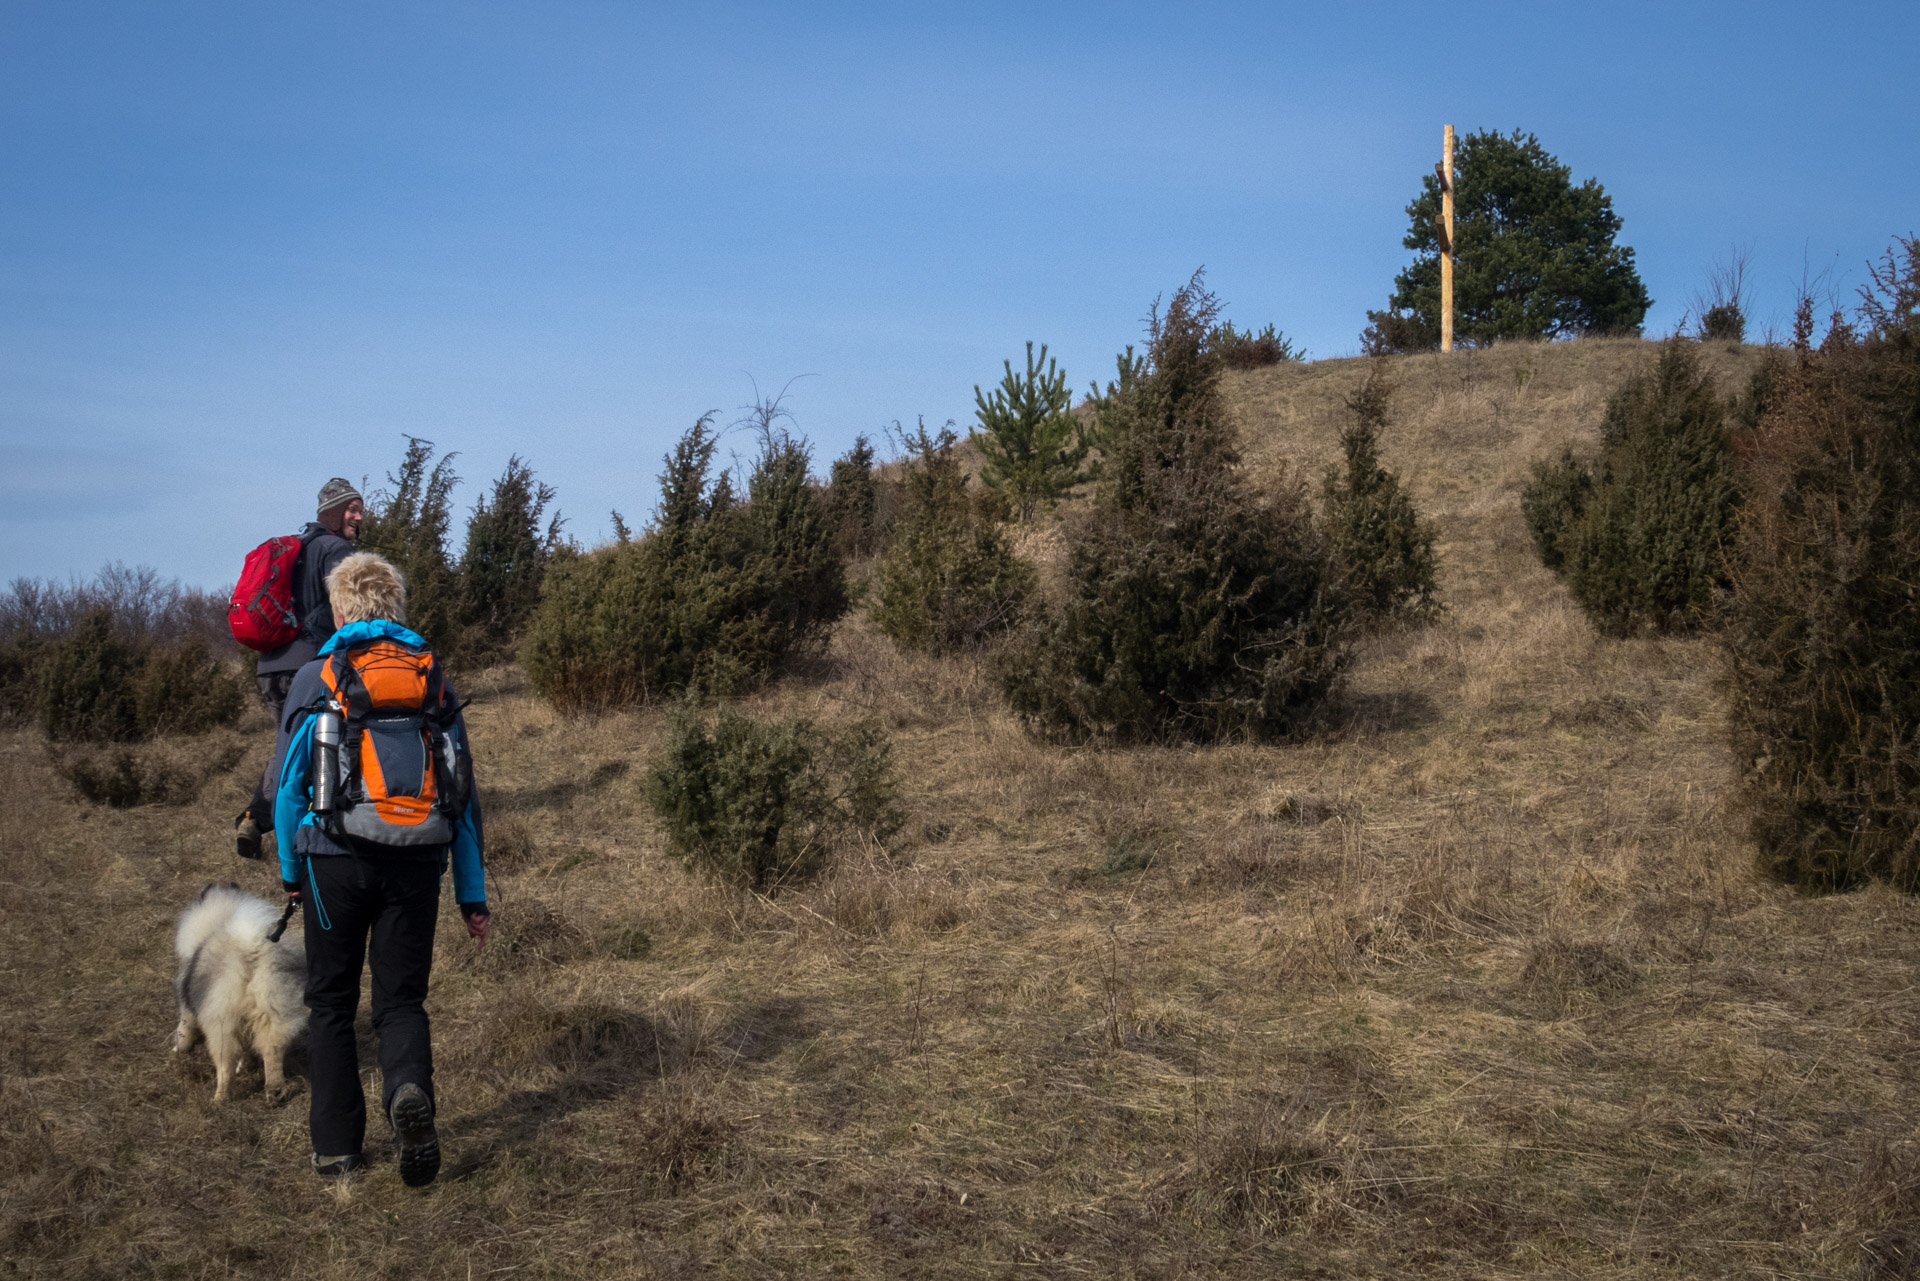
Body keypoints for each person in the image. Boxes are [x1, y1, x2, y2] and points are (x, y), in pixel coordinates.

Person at [265, 551, 490, 1184]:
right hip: (419, 860)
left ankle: (337, 1149)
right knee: (402, 1000)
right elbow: (462, 796)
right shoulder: (430, 676)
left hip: (332, 861)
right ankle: (406, 1094)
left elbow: (287, 790)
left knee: (332, 1002)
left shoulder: (317, 676)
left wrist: (290, 869)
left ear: (339, 609)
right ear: (396, 608)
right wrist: (471, 896)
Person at [237, 478, 363, 860]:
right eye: (352, 509)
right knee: (311, 745)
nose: (358, 516)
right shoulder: (336, 549)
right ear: (334, 511)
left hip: (271, 664)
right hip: (308, 665)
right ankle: (291, 828)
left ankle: (255, 819)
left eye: (360, 509)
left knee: (289, 744)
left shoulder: (297, 548)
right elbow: (350, 607)